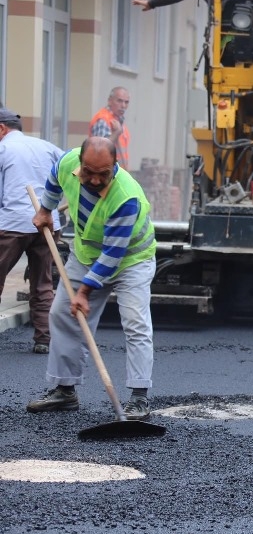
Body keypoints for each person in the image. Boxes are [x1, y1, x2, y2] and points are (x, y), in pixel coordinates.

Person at [26, 137, 157, 421]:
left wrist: (84, 292)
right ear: (80, 163)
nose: (95, 180)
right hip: (86, 254)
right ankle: (65, 390)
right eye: (89, 172)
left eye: (103, 174)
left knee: (135, 322)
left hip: (131, 259)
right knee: (62, 313)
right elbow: (54, 179)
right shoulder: (67, 161)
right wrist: (46, 210)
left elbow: (113, 254)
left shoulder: (125, 196)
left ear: (116, 165)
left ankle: (139, 397)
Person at [0, 108, 64, 354]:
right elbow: (72, 171)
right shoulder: (46, 147)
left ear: (1, 128)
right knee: (42, 282)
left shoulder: (4, 149)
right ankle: (43, 339)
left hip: (12, 224)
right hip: (47, 222)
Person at [89, 87, 131, 169]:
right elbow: (100, 150)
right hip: (104, 171)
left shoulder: (119, 120)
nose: (123, 105)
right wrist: (116, 133)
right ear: (110, 101)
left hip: (117, 171)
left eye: (126, 102)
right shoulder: (103, 120)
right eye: (119, 101)